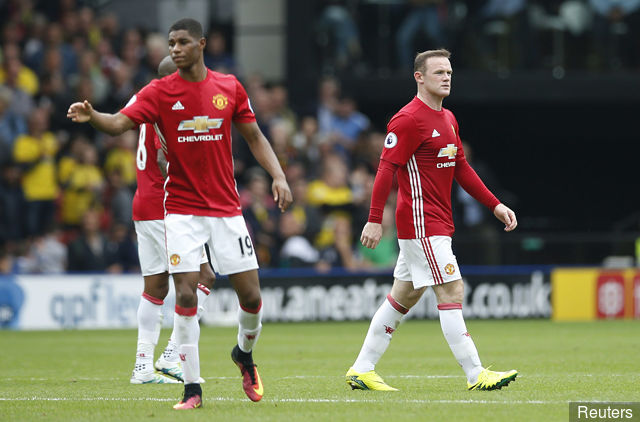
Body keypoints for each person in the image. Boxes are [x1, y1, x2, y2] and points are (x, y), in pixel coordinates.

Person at [68, 18, 292, 410]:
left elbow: (255, 136)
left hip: (225, 209)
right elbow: (120, 123)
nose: (175, 48)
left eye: (182, 42)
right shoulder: (157, 92)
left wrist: (278, 175)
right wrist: (95, 117)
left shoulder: (229, 87)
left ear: (201, 44)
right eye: (171, 43)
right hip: (181, 211)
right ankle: (192, 389)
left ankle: (244, 354)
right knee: (185, 291)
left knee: (252, 298)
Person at [345, 49, 518, 392]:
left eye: (449, 71)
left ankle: (362, 368)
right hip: (421, 224)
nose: (447, 77)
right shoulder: (408, 119)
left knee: (404, 295)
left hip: (436, 223)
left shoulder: (449, 118)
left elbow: (462, 169)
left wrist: (494, 204)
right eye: (439, 72)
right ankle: (476, 373)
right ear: (419, 77)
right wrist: (374, 219)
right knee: (452, 288)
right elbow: (386, 169)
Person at [129, 56, 215, 385]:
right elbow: (166, 158)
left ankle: (142, 368)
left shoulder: (142, 102)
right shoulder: (168, 105)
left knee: (155, 287)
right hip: (166, 206)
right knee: (203, 275)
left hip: (144, 203)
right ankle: (172, 356)